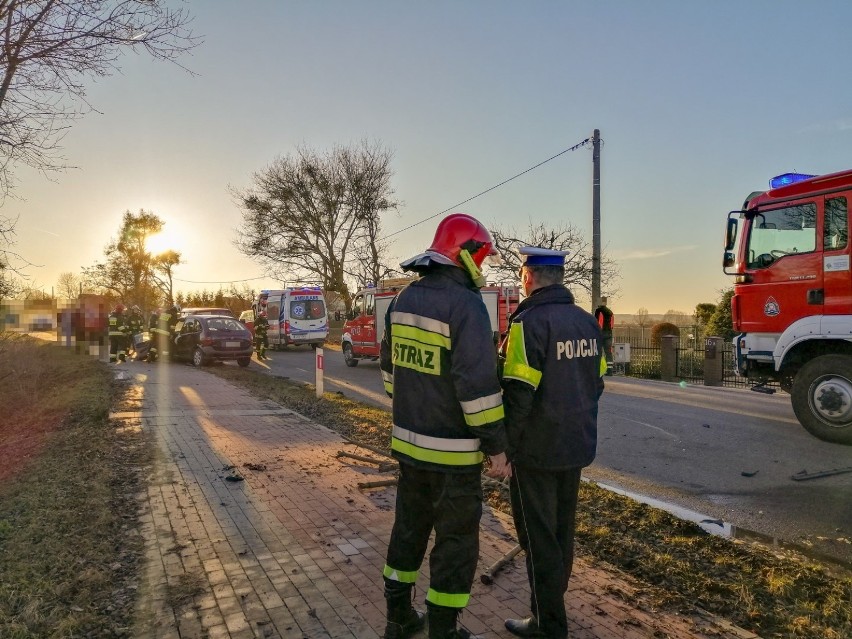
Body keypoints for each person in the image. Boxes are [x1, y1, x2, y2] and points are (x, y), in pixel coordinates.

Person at [379, 213, 511, 639]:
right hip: (453, 455)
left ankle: (398, 619)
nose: (483, 266)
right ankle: (443, 631)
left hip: (409, 447)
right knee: (455, 546)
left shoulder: (403, 300)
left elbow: (389, 371)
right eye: (482, 258)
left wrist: (414, 404)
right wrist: (496, 447)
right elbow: (477, 388)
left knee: (409, 532)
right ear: (467, 254)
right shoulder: (466, 305)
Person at [500, 247, 606, 639]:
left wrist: (504, 449)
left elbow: (518, 395)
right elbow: (597, 383)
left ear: (529, 277)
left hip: (536, 454)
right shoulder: (586, 323)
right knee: (562, 533)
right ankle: (551, 609)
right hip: (575, 447)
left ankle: (548, 624)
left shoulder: (529, 323)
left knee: (537, 538)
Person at [593, 297, 615, 376]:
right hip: (609, 334)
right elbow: (612, 325)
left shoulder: (598, 311)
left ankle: (599, 370)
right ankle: (610, 370)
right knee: (608, 352)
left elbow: (597, 323)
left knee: (598, 352)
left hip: (600, 333)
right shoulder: (610, 312)